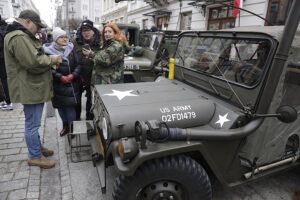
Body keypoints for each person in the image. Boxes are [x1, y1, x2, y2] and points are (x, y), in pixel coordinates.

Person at [4, 10, 62, 168]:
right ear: (27, 22)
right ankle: (35, 155)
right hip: (29, 87)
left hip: (30, 86)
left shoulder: (20, 35)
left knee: (33, 122)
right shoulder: (19, 37)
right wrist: (53, 59)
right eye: (37, 26)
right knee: (32, 124)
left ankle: (36, 147)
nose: (38, 30)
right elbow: (33, 62)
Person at [43, 27, 81, 137]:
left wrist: (72, 75)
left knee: (70, 107)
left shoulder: (71, 48)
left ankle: (72, 127)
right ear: (55, 39)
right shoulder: (48, 52)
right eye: (61, 37)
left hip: (72, 84)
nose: (65, 39)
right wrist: (60, 77)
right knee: (61, 107)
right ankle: (65, 126)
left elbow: (78, 64)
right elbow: (48, 68)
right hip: (57, 84)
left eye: (66, 37)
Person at [73, 19, 100, 120]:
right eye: (84, 30)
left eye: (88, 30)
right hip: (78, 77)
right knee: (77, 101)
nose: (86, 33)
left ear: (93, 30)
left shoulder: (99, 42)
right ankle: (76, 120)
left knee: (91, 100)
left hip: (92, 77)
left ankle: (89, 122)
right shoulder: (76, 42)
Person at [0, 15, 13, 110]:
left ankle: (8, 102)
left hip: (1, 58)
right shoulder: (6, 27)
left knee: (4, 80)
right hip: (6, 57)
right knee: (6, 79)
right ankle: (8, 100)